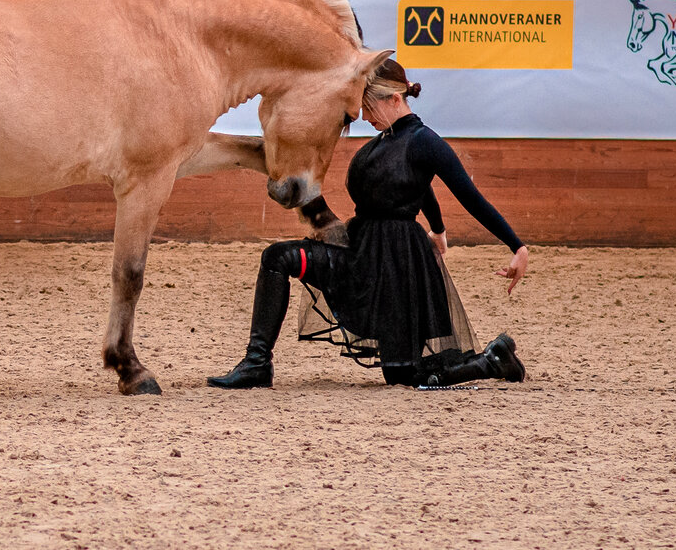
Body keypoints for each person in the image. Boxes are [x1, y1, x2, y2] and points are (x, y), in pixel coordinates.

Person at [207, 59, 528, 390]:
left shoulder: (425, 140)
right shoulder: (384, 141)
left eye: (368, 105)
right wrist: (438, 229)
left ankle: (491, 362)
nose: (363, 115)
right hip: (359, 251)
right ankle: (257, 364)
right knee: (278, 258)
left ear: (393, 98)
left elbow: (470, 196)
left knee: (404, 376)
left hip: (397, 266)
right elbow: (419, 184)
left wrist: (516, 246)